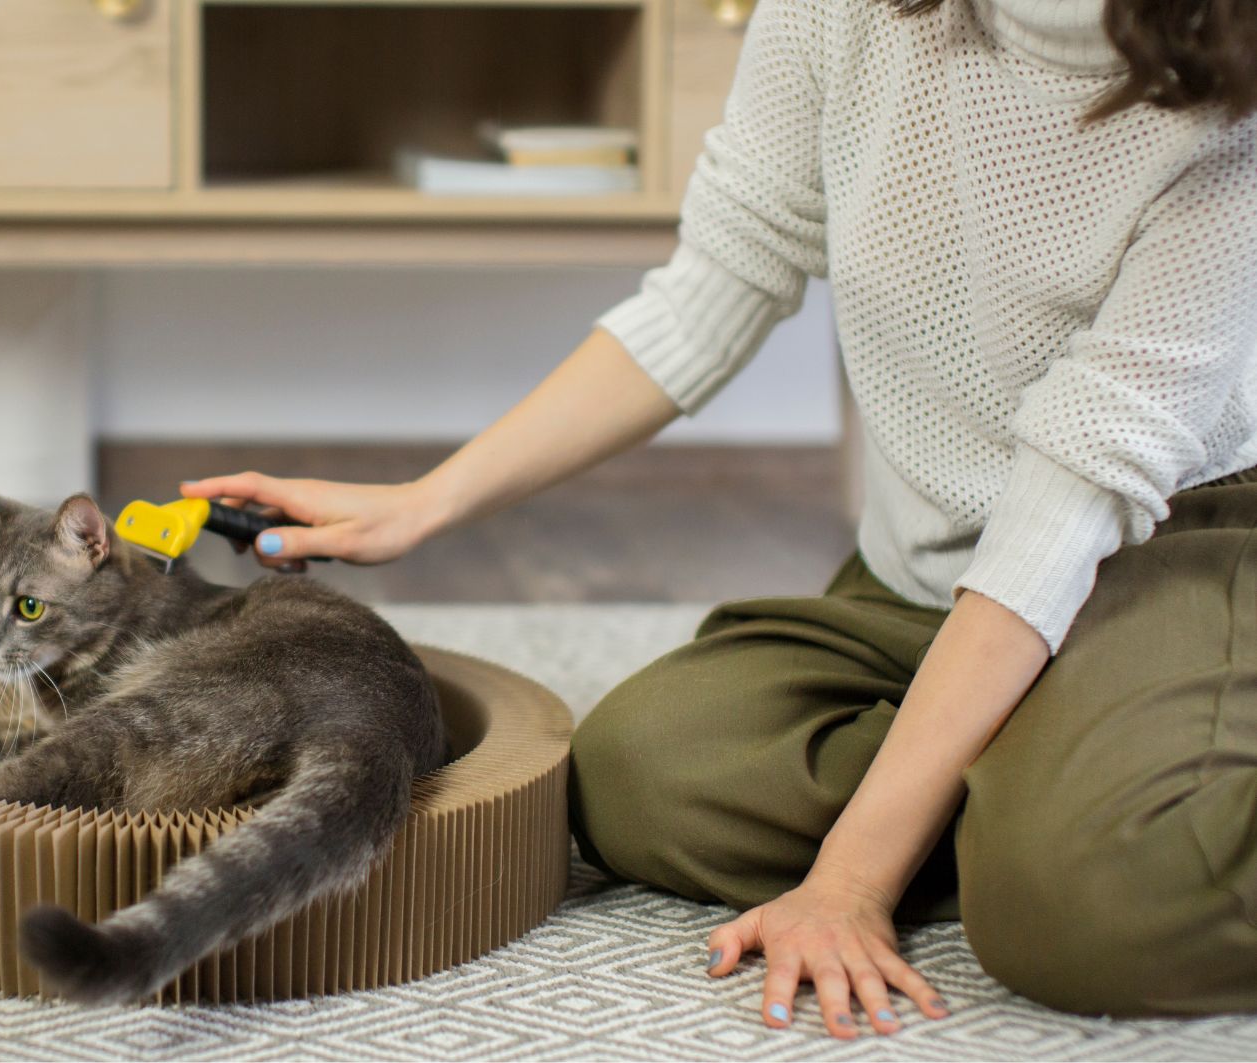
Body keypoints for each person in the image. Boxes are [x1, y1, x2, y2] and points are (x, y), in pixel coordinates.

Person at [181, 0, 1257, 1038]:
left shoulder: (1234, 113)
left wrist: (849, 879)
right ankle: (1043, 772)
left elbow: (1067, 503)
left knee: (1084, 916)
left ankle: (1069, 809)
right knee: (641, 771)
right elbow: (720, 278)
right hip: (929, 574)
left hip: (1166, 542)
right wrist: (425, 502)